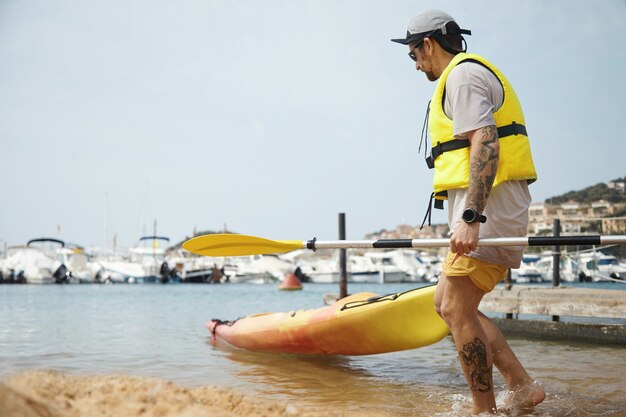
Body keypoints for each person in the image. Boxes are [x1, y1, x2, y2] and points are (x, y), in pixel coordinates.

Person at [391, 10, 546, 415]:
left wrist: (472, 216)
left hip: (489, 210)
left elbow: (486, 140)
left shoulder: (461, 75)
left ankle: (485, 410)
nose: (415, 64)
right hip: (486, 208)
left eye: (413, 55)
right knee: (446, 303)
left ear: (427, 44)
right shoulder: (462, 75)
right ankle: (522, 386)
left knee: (456, 308)